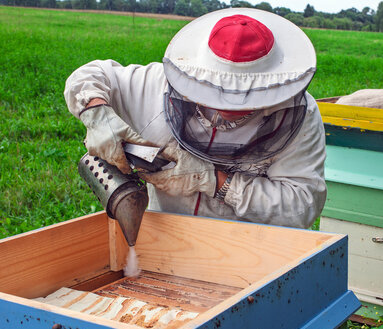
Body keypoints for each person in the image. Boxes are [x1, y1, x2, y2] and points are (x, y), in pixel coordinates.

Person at [64, 8, 326, 229]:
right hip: (161, 233)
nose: (229, 106)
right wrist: (97, 113)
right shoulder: (155, 84)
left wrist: (213, 180)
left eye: (246, 97)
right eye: (218, 92)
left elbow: (301, 206)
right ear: (200, 73)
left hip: (243, 247)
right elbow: (92, 74)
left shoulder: (300, 115)